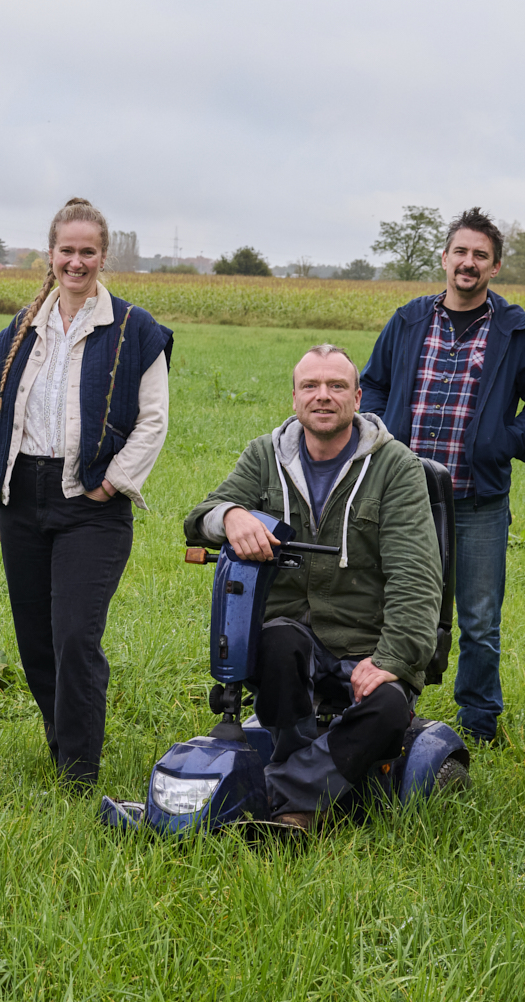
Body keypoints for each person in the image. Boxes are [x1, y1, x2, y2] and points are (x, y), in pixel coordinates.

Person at [183, 345, 442, 833]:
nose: (323, 397)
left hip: (367, 645)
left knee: (389, 711)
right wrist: (232, 516)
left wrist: (392, 659)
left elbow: (417, 575)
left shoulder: (395, 468)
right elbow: (200, 518)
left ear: (358, 397)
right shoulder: (265, 455)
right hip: (295, 641)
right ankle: (310, 788)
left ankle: (284, 795)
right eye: (311, 386)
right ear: (296, 396)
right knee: (276, 643)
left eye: (336, 386)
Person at [0, 197, 172, 789]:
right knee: (36, 640)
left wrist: (112, 482)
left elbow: (153, 420)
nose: (76, 261)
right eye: (67, 250)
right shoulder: (23, 328)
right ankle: (60, 744)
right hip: (23, 495)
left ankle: (80, 772)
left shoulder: (134, 330)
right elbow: (3, 411)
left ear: (103, 256)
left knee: (74, 637)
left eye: (88, 251)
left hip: (90, 502)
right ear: (51, 254)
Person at [358, 208, 525, 743]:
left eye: (480, 255)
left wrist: (505, 442)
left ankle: (477, 721)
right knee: (390, 604)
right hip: (404, 496)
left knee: (479, 619)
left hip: (478, 500)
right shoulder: (408, 320)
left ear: (494, 267)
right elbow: (372, 385)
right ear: (444, 258)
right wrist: (381, 436)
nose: (467, 263)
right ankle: (387, 704)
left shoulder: (516, 329)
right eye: (460, 252)